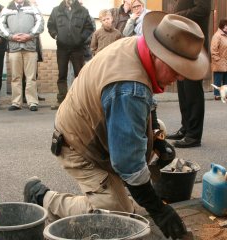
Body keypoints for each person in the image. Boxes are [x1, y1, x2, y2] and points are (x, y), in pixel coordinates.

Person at [24, 11, 209, 239]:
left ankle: (117, 187)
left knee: (156, 125)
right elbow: (128, 163)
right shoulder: (129, 88)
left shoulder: (137, 48)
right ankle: (43, 197)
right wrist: (158, 210)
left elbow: (146, 101)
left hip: (93, 126)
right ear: (158, 54)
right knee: (119, 214)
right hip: (77, 144)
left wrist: (157, 140)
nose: (180, 77)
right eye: (176, 68)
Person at [166, 0, 211, 148]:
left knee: (193, 93)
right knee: (184, 93)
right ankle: (186, 129)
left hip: (194, 47)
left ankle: (193, 135)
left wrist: (177, 16)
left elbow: (203, 9)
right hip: (184, 46)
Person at [0, 0, 44, 111]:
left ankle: (32, 102)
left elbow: (40, 23)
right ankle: (16, 102)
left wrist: (30, 35)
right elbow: (0, 25)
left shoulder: (33, 8)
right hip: (14, 48)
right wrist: (11, 36)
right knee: (15, 77)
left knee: (31, 77)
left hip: (30, 47)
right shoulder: (7, 9)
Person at [47, 0, 94, 110]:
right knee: (62, 74)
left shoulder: (83, 11)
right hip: (62, 48)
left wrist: (81, 38)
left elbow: (89, 28)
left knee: (79, 75)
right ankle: (62, 100)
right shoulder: (56, 10)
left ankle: (79, 101)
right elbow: (50, 25)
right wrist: (56, 36)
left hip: (77, 48)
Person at [210, 18, 227, 100]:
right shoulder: (217, 36)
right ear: (223, 26)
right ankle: (217, 95)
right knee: (218, 79)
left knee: (226, 80)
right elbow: (213, 49)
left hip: (225, 62)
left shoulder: (225, 35)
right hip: (219, 62)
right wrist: (218, 60)